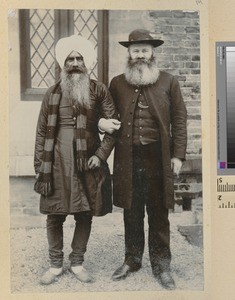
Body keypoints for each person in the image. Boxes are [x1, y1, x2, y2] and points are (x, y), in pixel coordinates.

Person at [99, 29, 187, 290]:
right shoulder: (117, 83)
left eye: (144, 50)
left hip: (158, 158)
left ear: (152, 53)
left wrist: (178, 156)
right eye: (135, 50)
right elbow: (106, 115)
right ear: (129, 53)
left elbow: (180, 121)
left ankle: (161, 265)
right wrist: (102, 123)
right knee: (131, 211)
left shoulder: (169, 82)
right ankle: (132, 259)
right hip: (128, 157)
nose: (140, 55)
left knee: (159, 212)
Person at [34, 34, 116, 285]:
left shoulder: (98, 90)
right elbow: (40, 132)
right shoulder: (52, 93)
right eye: (70, 58)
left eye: (80, 58)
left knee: (84, 213)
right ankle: (55, 264)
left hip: (87, 162)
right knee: (54, 215)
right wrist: (40, 167)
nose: (75, 62)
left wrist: (99, 156)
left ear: (87, 62)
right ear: (63, 64)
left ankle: (78, 262)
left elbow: (114, 128)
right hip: (56, 163)